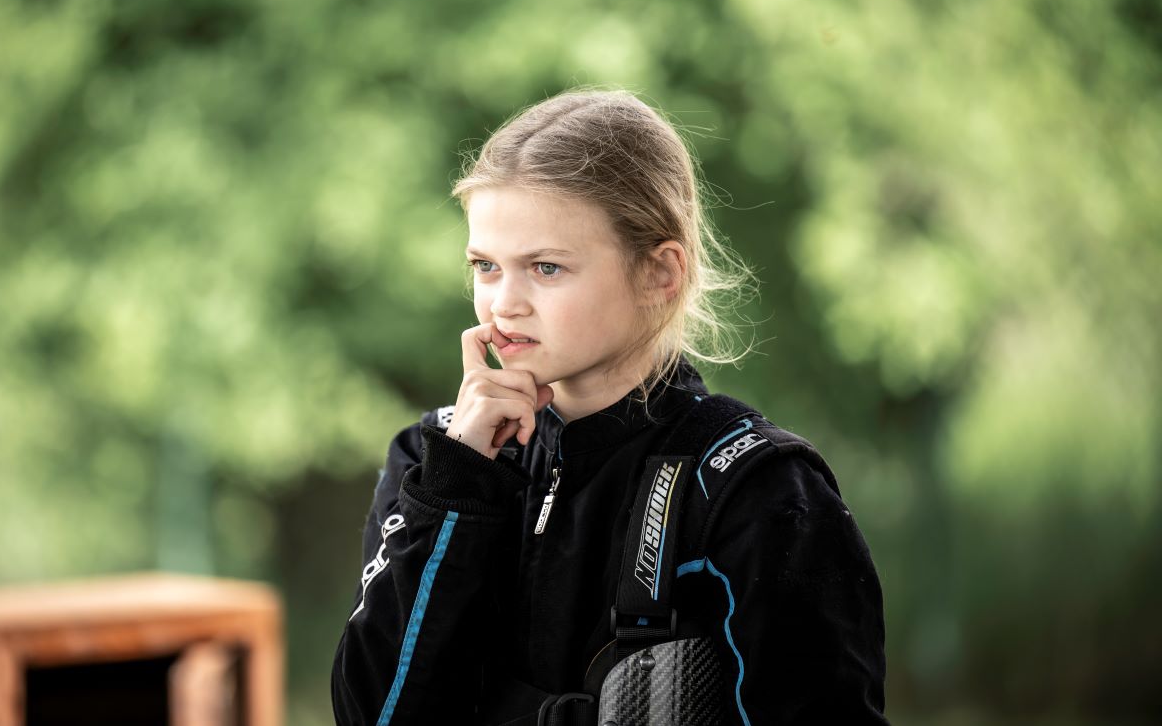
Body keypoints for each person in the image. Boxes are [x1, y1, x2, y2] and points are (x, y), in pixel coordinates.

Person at [330, 88, 888, 725]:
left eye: (546, 268)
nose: (503, 304)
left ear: (659, 274)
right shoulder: (432, 461)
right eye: (486, 266)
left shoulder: (756, 490)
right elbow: (368, 714)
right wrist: (460, 486)